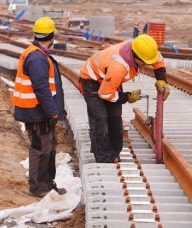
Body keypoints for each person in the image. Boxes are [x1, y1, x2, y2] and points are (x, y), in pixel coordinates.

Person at [79, 34, 170, 163]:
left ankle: (115, 154)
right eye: (144, 63)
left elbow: (158, 60)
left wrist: (161, 80)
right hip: (92, 80)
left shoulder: (145, 49)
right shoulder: (119, 66)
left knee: (115, 116)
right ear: (135, 57)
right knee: (100, 118)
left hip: (109, 79)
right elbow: (105, 94)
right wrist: (127, 96)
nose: (147, 65)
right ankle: (104, 158)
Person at [13, 16, 67, 197]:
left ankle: (47, 183)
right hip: (37, 111)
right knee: (41, 148)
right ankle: (37, 187)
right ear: (52, 36)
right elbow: (42, 88)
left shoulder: (37, 54)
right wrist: (52, 113)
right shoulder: (37, 57)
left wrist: (57, 110)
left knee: (49, 146)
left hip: (40, 110)